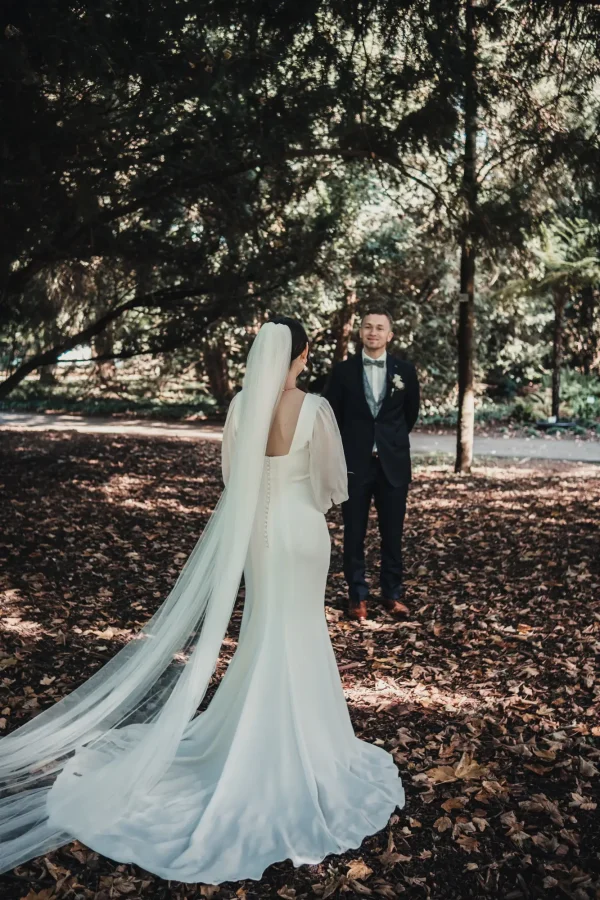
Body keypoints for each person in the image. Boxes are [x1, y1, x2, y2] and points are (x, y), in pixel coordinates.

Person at [0, 318, 405, 885]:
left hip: (257, 539)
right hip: (302, 530)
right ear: (302, 355)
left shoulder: (241, 406)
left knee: (266, 626)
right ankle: (307, 744)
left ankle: (253, 732)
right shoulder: (314, 409)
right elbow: (330, 485)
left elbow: (233, 477)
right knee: (301, 628)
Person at [324, 308, 420, 621]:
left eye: (380, 328)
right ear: (361, 332)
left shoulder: (405, 371)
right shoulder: (343, 372)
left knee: (393, 533)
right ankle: (357, 596)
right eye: (368, 327)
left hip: (393, 464)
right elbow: (331, 416)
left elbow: (410, 414)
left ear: (390, 335)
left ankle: (391, 594)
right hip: (355, 463)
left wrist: (388, 443)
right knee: (354, 533)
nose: (373, 332)